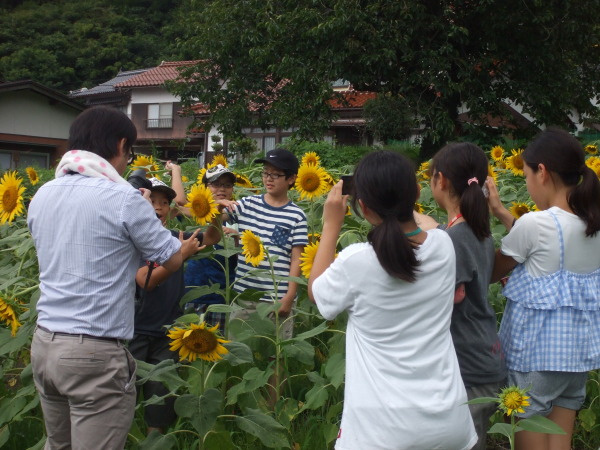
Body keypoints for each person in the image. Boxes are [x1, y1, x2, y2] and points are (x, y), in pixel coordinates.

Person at [27, 106, 183, 449]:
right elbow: (170, 259)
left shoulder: (43, 194)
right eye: (130, 154)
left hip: (45, 345)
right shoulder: (124, 198)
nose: (128, 163)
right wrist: (151, 216)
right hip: (93, 352)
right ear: (121, 144)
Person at [308, 150, 478, 450]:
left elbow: (318, 295)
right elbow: (422, 228)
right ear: (416, 193)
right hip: (448, 421)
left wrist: (331, 224)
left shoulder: (356, 262)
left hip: (380, 430)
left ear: (363, 207)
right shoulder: (443, 246)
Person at [488, 128, 600, 450]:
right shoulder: (591, 221)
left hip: (534, 358)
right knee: (558, 444)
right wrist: (503, 213)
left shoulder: (534, 224)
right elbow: (544, 247)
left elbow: (494, 272)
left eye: (525, 175)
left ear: (542, 172)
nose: (526, 183)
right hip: (574, 359)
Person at [430, 142, 506, 450]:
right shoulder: (476, 229)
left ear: (442, 180)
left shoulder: (455, 238)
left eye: (430, 177)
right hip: (483, 355)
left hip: (468, 367)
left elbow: (448, 298)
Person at [127, 177, 204, 435]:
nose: (158, 208)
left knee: (161, 399)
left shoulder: (175, 237)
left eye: (164, 202)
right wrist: (182, 253)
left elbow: (211, 237)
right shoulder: (132, 241)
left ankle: (153, 442)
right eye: (151, 202)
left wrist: (216, 214)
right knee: (123, 396)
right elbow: (144, 280)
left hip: (169, 330)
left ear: (171, 209)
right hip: (135, 328)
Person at [228, 149, 308, 339]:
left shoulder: (296, 216)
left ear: (291, 179)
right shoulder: (248, 204)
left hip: (277, 300)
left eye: (275, 174)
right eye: (265, 173)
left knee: (276, 355)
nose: (268, 179)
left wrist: (289, 297)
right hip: (245, 296)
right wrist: (217, 206)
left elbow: (297, 259)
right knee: (239, 349)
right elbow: (218, 214)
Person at [183, 164, 238, 331]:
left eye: (227, 185)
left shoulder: (238, 216)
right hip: (195, 290)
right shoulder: (194, 215)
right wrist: (176, 170)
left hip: (225, 295)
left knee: (221, 347)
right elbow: (178, 202)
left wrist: (237, 237)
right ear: (205, 187)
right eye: (216, 184)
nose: (222, 189)